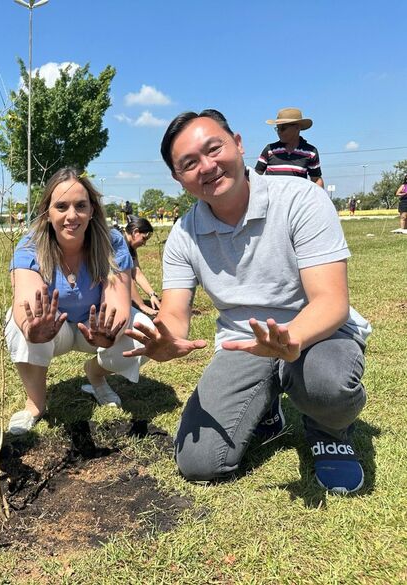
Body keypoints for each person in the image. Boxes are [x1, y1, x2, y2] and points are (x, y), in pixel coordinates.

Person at [125, 109, 371, 494]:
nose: (206, 167)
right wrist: (165, 340)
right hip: (244, 343)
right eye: (189, 163)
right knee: (199, 461)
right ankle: (266, 405)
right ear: (178, 178)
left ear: (238, 145)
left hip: (319, 333)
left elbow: (331, 301)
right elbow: (174, 312)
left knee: (327, 384)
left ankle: (329, 429)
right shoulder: (184, 234)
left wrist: (291, 339)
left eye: (214, 149)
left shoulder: (300, 198)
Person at [5, 167, 154, 435]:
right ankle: (35, 404)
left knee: (146, 332)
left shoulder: (112, 242)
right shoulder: (30, 246)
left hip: (93, 327)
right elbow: (25, 301)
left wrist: (112, 333)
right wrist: (32, 328)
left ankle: (96, 373)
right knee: (18, 326)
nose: (71, 215)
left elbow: (118, 302)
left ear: (92, 210)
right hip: (55, 331)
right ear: (47, 213)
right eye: (61, 206)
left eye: (80, 206)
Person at [255, 107, 324, 188]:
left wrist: (318, 198)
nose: (279, 132)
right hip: (272, 200)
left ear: (297, 127)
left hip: (298, 200)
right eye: (277, 128)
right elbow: (256, 176)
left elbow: (316, 179)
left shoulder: (311, 152)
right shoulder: (270, 150)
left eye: (283, 128)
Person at [121, 216, 161, 317]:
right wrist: (142, 306)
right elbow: (125, 278)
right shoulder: (119, 244)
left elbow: (137, 273)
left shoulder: (130, 247)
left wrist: (152, 294)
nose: (144, 243)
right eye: (144, 238)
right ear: (135, 232)